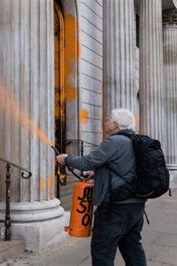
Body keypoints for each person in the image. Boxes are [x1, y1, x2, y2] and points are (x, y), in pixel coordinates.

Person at [56, 109, 146, 266]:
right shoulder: (134, 140)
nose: (105, 122)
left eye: (108, 120)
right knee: (132, 248)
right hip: (135, 205)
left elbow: (88, 162)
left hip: (114, 207)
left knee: (102, 251)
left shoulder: (114, 141)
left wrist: (67, 158)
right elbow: (124, 167)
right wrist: (98, 173)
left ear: (116, 124)